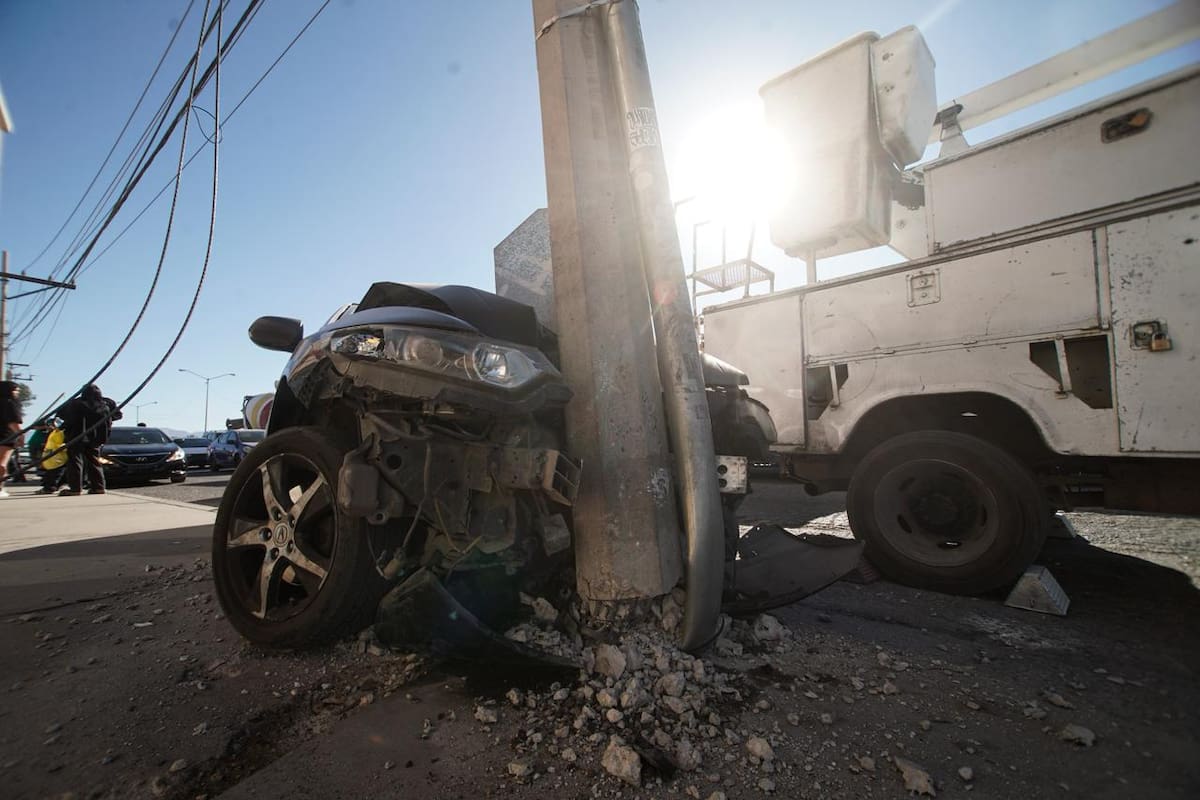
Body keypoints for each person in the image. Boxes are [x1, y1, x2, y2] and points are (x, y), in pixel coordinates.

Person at [57, 384, 122, 496]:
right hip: (96, 437)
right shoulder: (106, 404)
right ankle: (98, 487)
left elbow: (62, 414)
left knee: (75, 461)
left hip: (76, 435)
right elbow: (117, 415)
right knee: (94, 461)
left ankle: (75, 488)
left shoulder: (76, 403)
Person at [0, 380, 22, 498]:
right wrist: (20, 435)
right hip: (5, 436)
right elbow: (12, 422)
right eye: (16, 390)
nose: (17, 393)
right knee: (2, 463)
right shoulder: (9, 403)